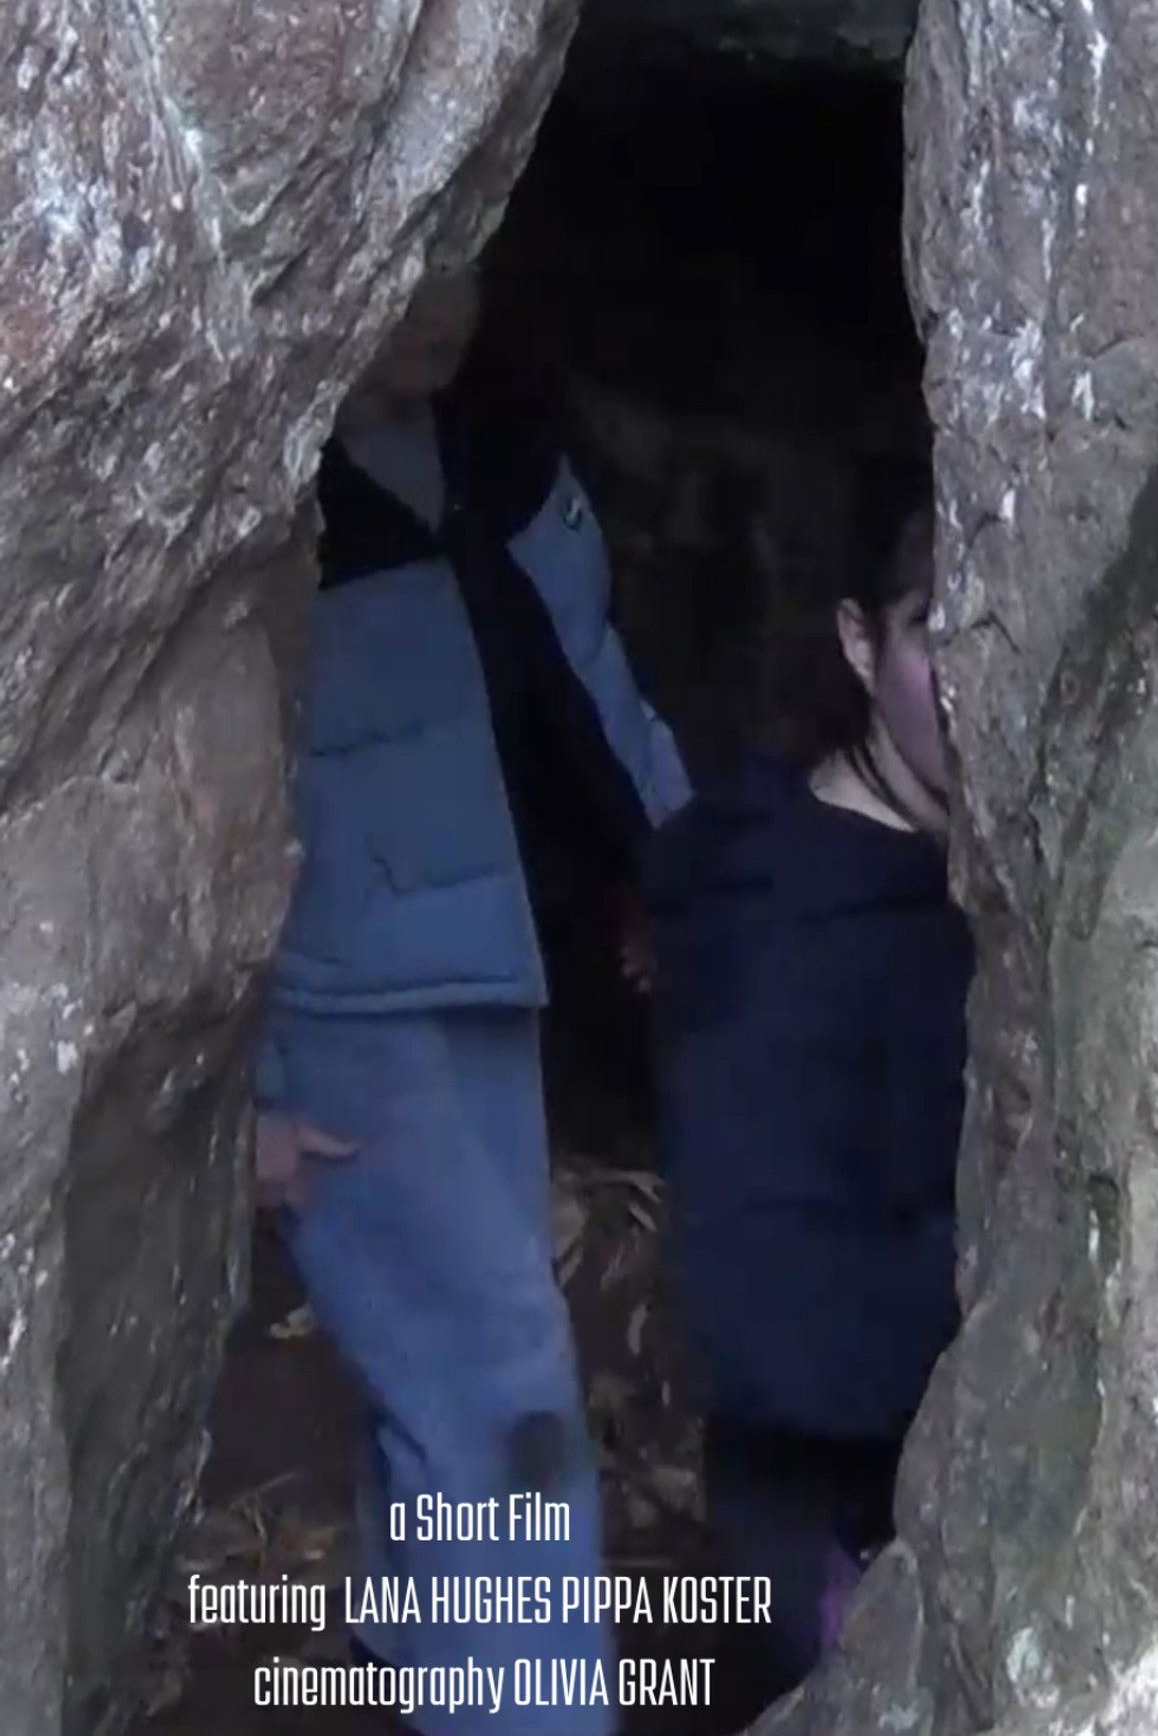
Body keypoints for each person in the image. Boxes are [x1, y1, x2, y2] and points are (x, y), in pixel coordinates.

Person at [253, 262, 690, 1736]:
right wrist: (241, 1096)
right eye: (414, 265)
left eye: (469, 260)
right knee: (500, 1383)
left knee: (458, 1355)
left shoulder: (497, 440)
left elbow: (591, 681)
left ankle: (421, 1641)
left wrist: (680, 881)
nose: (445, 299)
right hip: (348, 1004)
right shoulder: (250, 478)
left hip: (485, 961)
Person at [643, 451, 973, 1713]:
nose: (971, 678)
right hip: (829, 1530)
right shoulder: (775, 938)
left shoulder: (974, 881)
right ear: (854, 641)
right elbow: (767, 1320)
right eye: (933, 628)